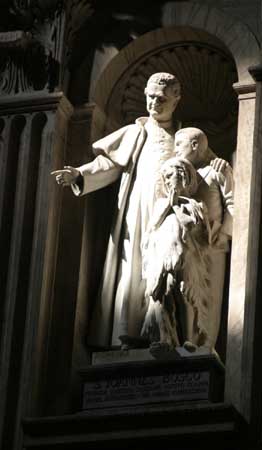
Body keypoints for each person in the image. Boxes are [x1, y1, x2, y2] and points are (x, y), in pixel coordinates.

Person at [51, 73, 227, 349]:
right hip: (139, 207)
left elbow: (205, 164)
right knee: (132, 267)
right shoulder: (137, 132)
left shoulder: (184, 135)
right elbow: (108, 164)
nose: (154, 103)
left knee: (169, 267)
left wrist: (218, 165)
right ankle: (128, 333)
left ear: (176, 100)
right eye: (150, 97)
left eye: (161, 98)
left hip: (171, 211)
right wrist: (79, 174)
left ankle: (173, 334)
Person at [141, 157, 212, 350]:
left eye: (177, 174)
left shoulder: (195, 205)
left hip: (187, 257)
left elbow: (198, 229)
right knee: (162, 294)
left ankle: (189, 339)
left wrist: (176, 206)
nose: (171, 178)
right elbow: (153, 226)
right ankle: (164, 339)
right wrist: (168, 204)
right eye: (168, 175)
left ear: (186, 178)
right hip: (163, 257)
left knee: (185, 293)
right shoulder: (160, 204)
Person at [173, 127, 234, 349]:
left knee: (211, 296)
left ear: (195, 145)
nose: (175, 150)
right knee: (187, 290)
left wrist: (223, 234)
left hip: (213, 243)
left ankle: (206, 345)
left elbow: (233, 205)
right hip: (189, 243)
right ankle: (186, 338)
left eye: (179, 145)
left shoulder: (218, 170)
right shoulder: (181, 174)